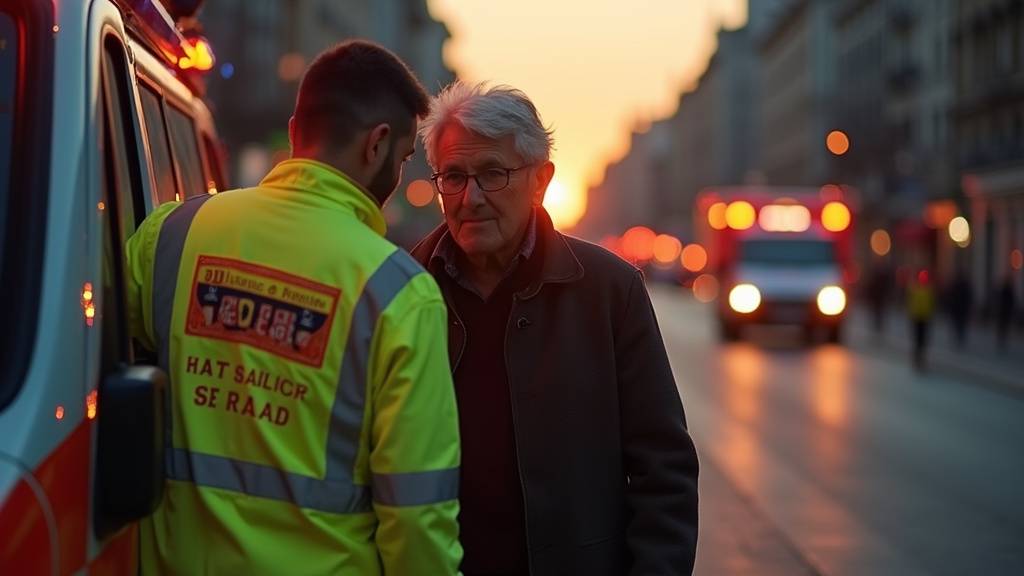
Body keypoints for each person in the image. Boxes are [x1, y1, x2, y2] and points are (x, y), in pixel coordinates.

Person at [126, 41, 462, 575]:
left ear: (294, 130)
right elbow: (418, 518)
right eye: (402, 159)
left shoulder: (172, 236)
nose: (398, 176)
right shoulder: (400, 294)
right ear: (376, 146)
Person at [411, 82, 699, 575]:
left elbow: (662, 468)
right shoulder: (403, 291)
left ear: (541, 181)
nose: (470, 197)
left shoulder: (610, 291)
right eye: (453, 177)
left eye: (493, 174)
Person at [907, 269, 936, 371]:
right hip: (916, 317)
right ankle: (917, 359)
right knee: (917, 340)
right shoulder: (915, 289)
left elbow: (932, 304)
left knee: (923, 341)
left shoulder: (929, 290)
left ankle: (921, 358)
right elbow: (910, 303)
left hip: (925, 318)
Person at [946, 265, 972, 348]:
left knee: (959, 323)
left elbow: (951, 297)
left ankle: (959, 336)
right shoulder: (961, 285)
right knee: (960, 324)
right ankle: (960, 336)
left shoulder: (956, 285)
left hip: (959, 309)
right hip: (959, 309)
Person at [995, 272, 1016, 352]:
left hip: (1004, 311)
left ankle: (1002, 339)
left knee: (1003, 327)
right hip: (1004, 312)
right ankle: (1002, 339)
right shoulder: (1006, 290)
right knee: (1003, 326)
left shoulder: (1006, 290)